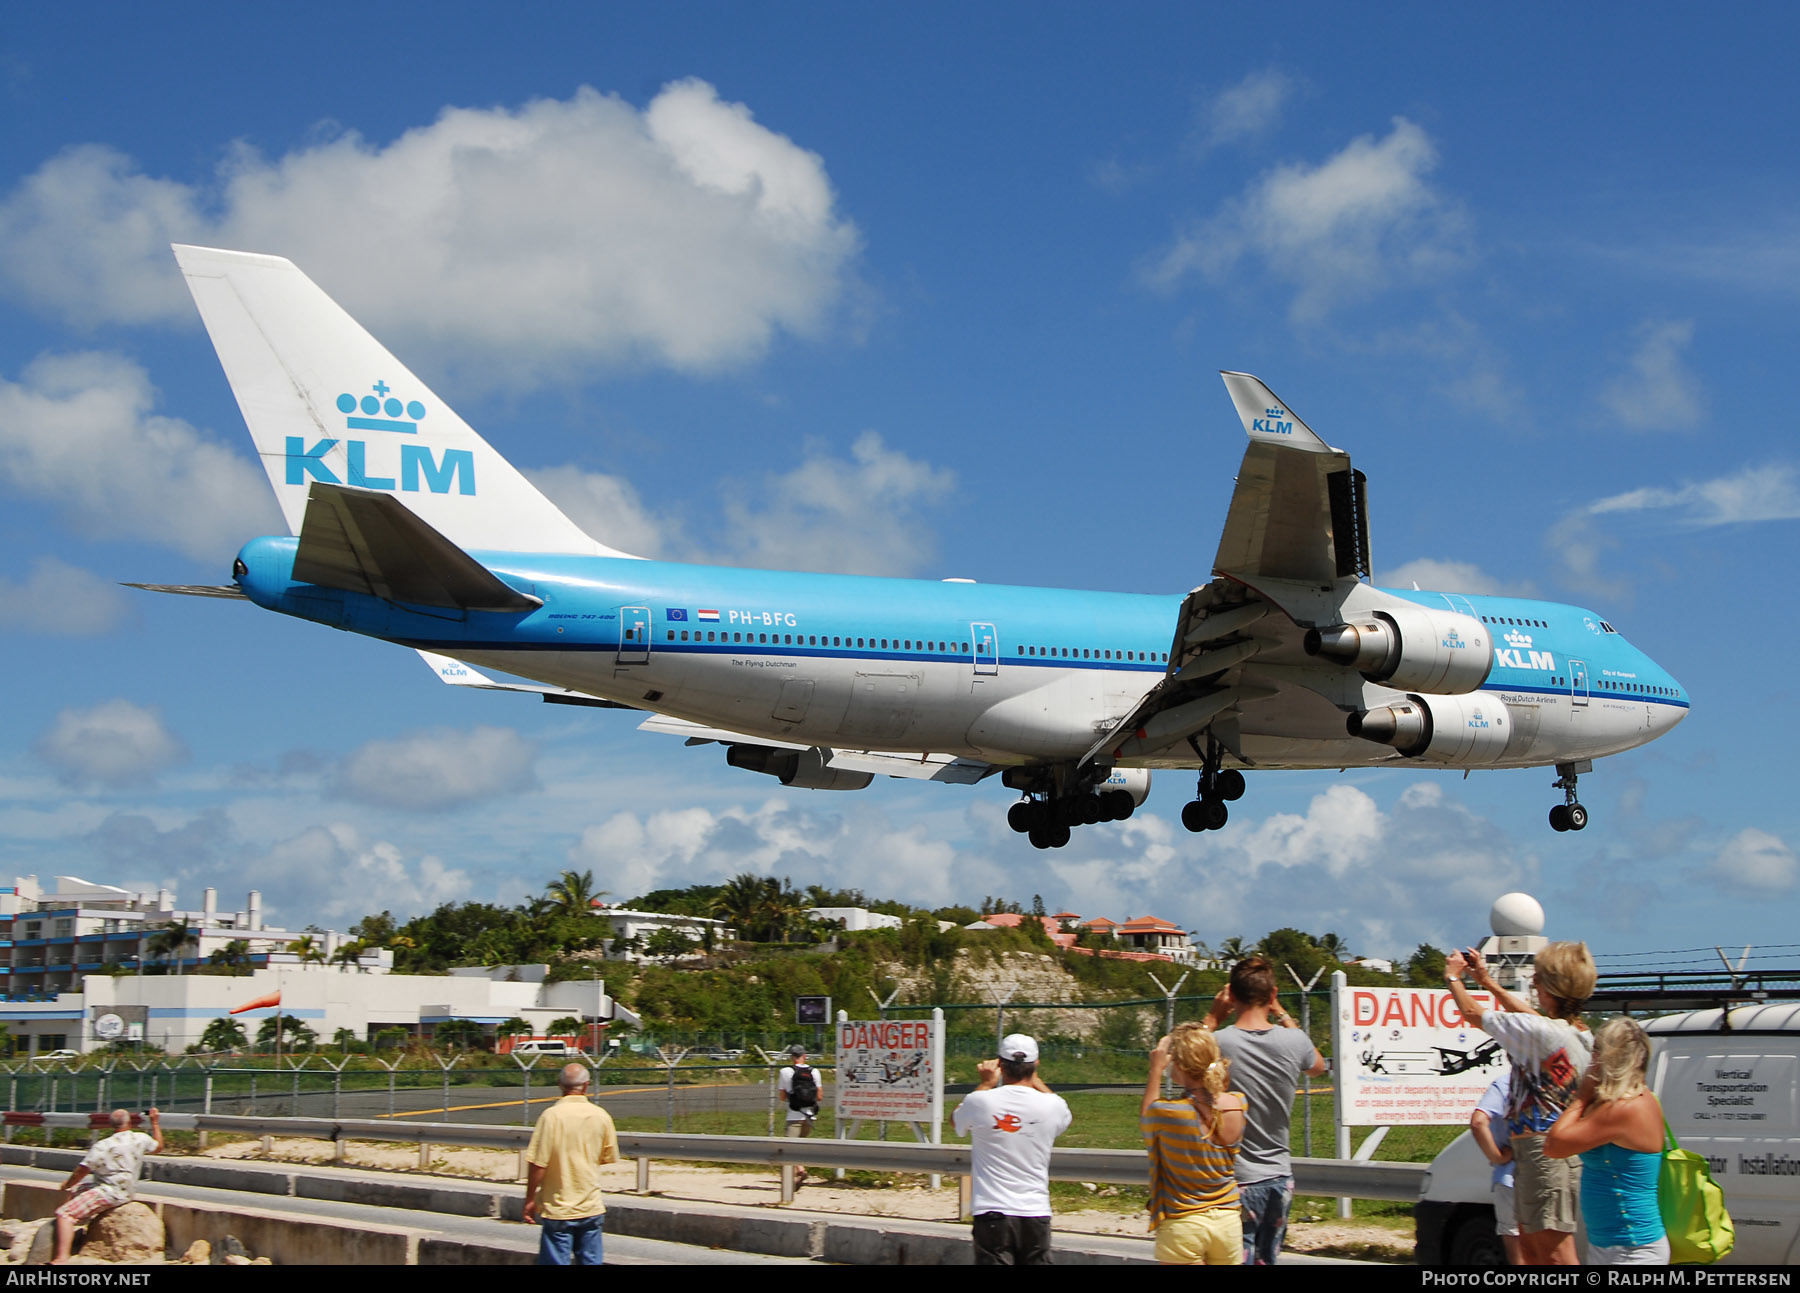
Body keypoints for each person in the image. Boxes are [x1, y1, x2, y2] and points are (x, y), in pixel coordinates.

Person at [1444, 940, 1595, 1266]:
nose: (1534, 982)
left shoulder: (1544, 1033)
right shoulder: (1575, 1034)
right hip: (1549, 1151)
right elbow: (1531, 1018)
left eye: (1539, 977)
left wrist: (1453, 978)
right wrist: (1487, 981)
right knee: (1535, 1248)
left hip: (1543, 1152)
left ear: (1554, 986)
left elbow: (1472, 1013)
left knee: (1554, 1252)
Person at [1204, 955, 1328, 1265]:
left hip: (1234, 1180)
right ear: (1272, 995)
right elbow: (1318, 1066)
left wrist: (1213, 1017)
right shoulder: (1295, 1041)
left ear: (1231, 996)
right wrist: (1284, 1015)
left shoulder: (1219, 1042)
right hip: (1279, 1177)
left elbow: (1180, 1061)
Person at [1545, 1017, 1668, 1265]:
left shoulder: (1625, 1109)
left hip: (1632, 1248)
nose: (1592, 1058)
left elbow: (1554, 1145)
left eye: (1597, 1049)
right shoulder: (1628, 1101)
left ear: (1611, 1057)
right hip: (1612, 1244)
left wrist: (1582, 1095)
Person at [952, 1033, 1073, 1264]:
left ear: (1000, 1065)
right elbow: (1065, 1117)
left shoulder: (980, 1101)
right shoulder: (1053, 1105)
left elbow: (956, 1120)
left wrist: (986, 1083)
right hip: (1035, 1211)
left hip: (992, 1211)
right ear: (1036, 1064)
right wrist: (1035, 1080)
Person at [1141, 1023, 1247, 1265]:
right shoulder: (1238, 1104)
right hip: (1227, 1219)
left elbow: (1147, 1119)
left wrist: (1155, 1070)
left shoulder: (1168, 1112)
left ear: (1178, 1066)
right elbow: (1217, 1093)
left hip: (1184, 1220)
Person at [522, 1062, 621, 1265]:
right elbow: (606, 1156)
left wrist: (530, 1199)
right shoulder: (601, 1116)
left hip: (558, 1207)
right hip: (590, 1205)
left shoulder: (551, 1116)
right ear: (586, 1085)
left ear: (560, 1084)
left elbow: (538, 1163)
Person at [51, 1107, 162, 1264]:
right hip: (128, 1191)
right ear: (129, 1122)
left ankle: (61, 1258)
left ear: (111, 1125)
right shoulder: (140, 1138)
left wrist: (67, 1184)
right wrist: (155, 1123)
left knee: (65, 1214)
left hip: (109, 1192)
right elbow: (158, 1147)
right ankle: (75, 1228)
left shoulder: (103, 1146)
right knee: (79, 1190)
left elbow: (82, 1170)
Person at [1470, 1074, 1522, 1264]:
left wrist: (1496, 1156)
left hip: (1510, 1176)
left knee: (1518, 1253)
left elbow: (1478, 1122)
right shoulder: (1548, 1078)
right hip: (1548, 1172)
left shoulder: (1506, 1083)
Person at [779, 1043, 821, 1188]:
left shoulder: (785, 1071)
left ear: (791, 1057)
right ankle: (798, 1174)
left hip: (794, 1116)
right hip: (809, 1117)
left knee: (788, 1151)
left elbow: (782, 1097)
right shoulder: (814, 1071)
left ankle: (794, 1179)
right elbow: (819, 1096)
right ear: (804, 1056)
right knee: (799, 1148)